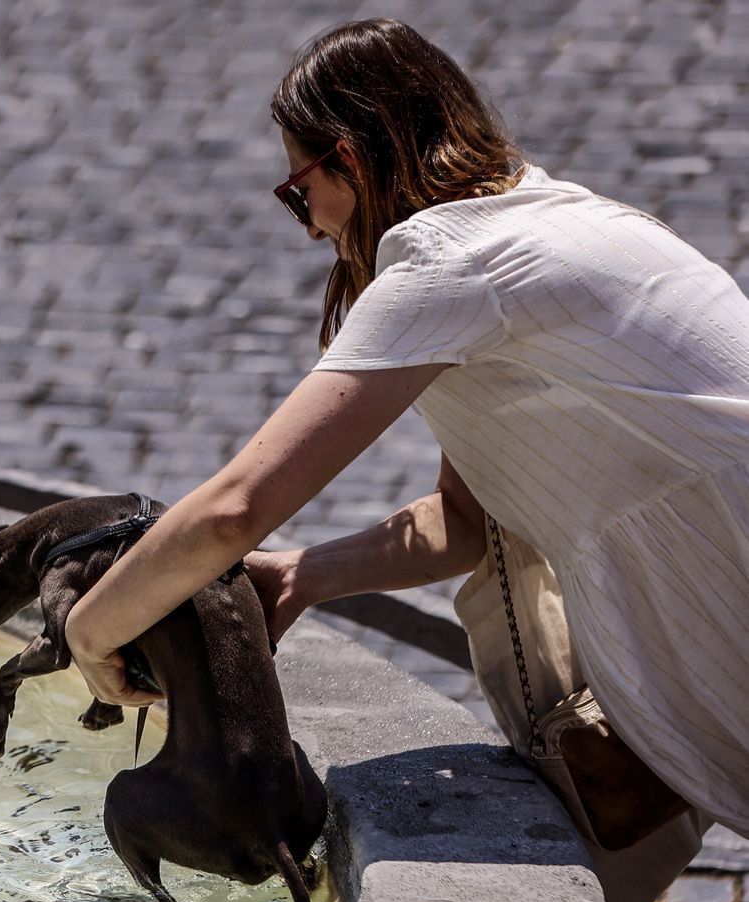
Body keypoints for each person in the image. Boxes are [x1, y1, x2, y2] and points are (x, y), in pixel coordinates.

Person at [63, 16, 749, 857]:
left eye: (297, 191)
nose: (310, 225)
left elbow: (234, 511)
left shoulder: (450, 260)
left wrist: (87, 630)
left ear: (348, 159)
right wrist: (304, 577)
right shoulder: (561, 219)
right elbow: (460, 525)